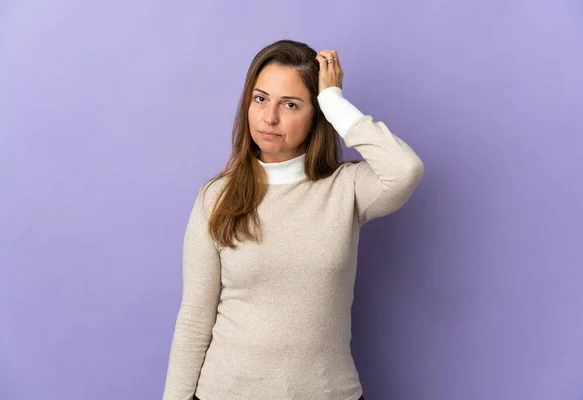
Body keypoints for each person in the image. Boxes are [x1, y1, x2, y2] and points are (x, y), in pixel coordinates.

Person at [161, 39, 424, 400]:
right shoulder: (216, 197)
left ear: (315, 114)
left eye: (290, 104)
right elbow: (194, 319)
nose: (270, 117)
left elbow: (405, 170)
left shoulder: (347, 188)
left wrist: (333, 100)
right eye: (260, 99)